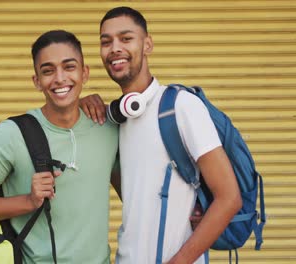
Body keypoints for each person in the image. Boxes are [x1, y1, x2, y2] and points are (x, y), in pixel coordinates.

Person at [81, 6, 242, 264]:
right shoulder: (116, 119)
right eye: (105, 42)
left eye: (126, 38)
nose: (114, 49)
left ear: (147, 45)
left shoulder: (180, 106)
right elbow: (137, 200)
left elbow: (229, 198)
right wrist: (80, 107)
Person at [0, 30, 119, 264]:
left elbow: (136, 193)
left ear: (85, 73)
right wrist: (28, 201)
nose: (60, 78)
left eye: (69, 67)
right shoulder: (12, 134)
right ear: (37, 81)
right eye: (48, 71)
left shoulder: (108, 128)